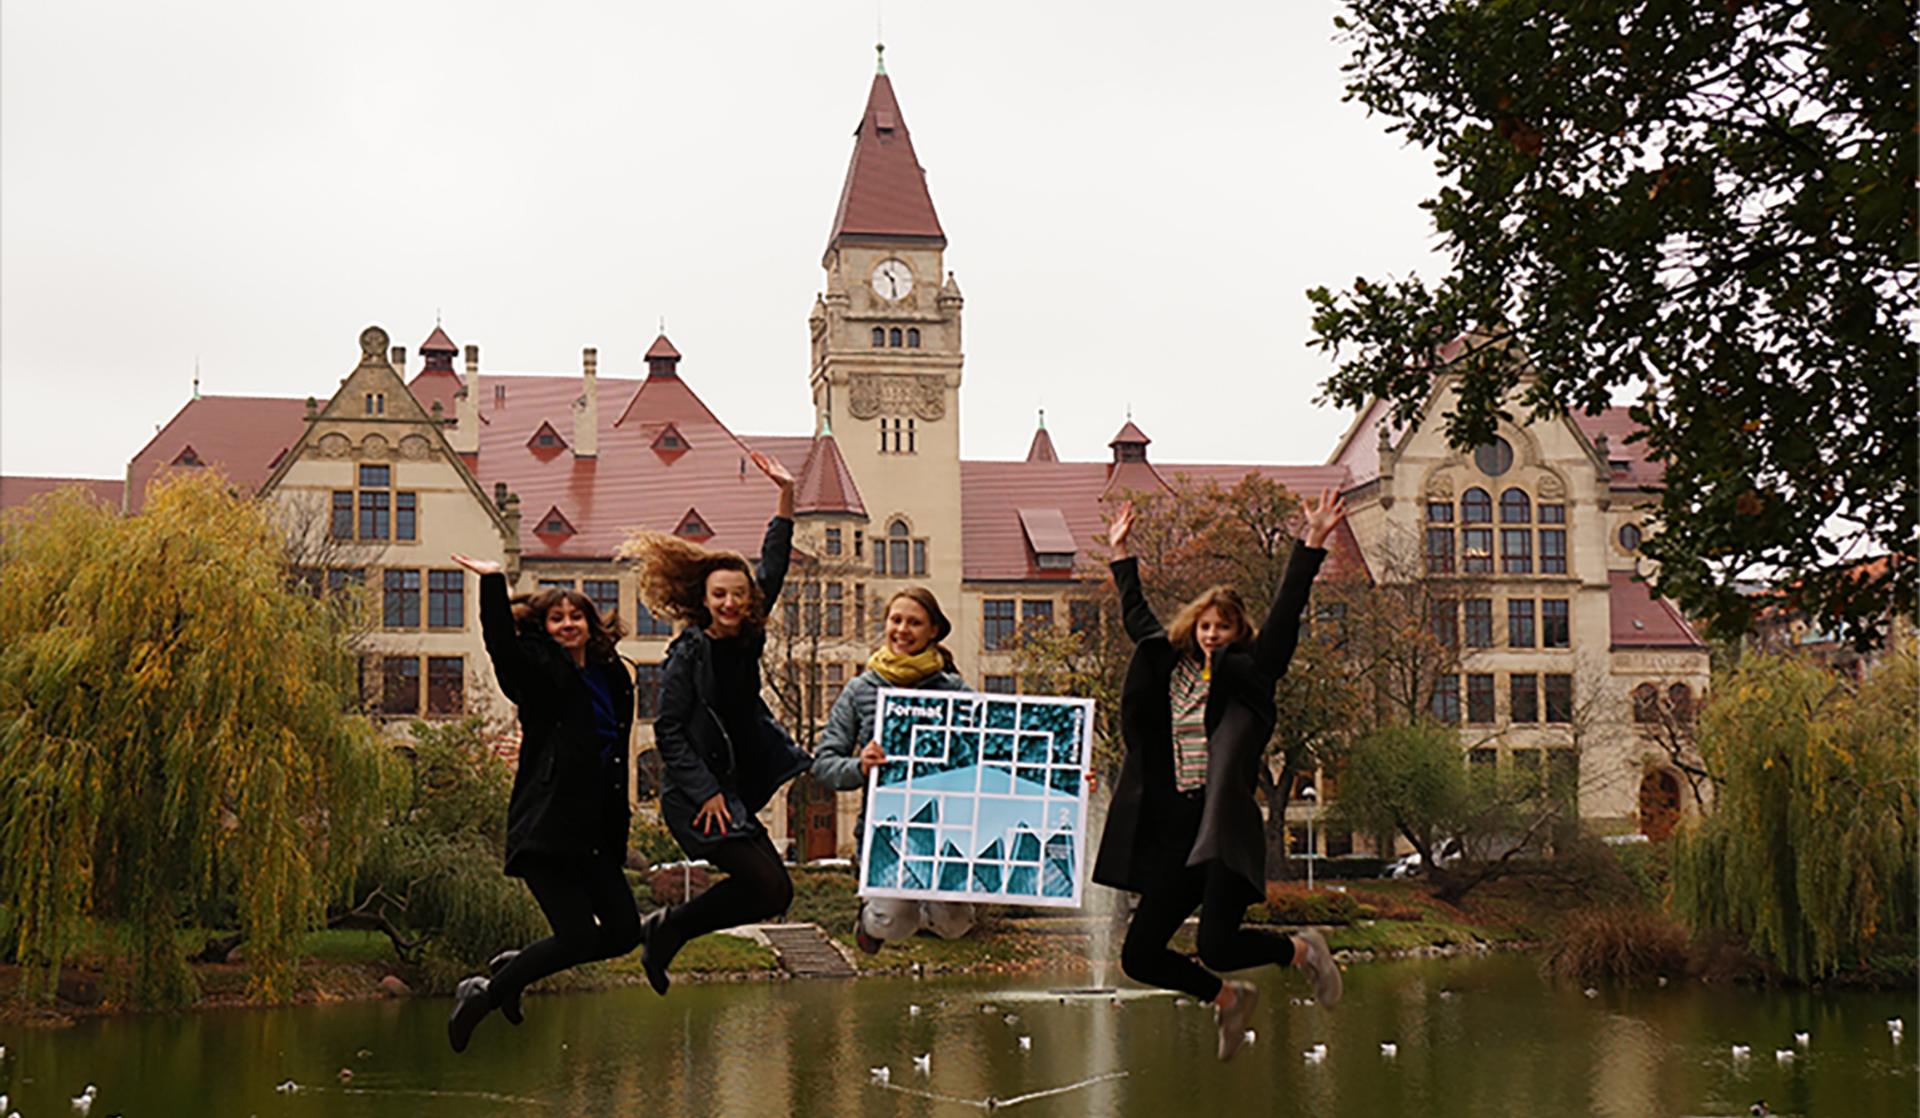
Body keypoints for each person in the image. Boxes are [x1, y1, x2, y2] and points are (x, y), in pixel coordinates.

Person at [1093, 489, 1349, 1062]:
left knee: (1217, 945)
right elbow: (1137, 615)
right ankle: (1228, 999)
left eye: (1223, 627)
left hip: (1222, 829)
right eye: (1205, 625)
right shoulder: (1170, 665)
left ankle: (1302, 951)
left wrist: (1311, 543)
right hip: (1173, 834)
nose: (1211, 634)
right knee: (1138, 957)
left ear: (1237, 633)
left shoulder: (1249, 678)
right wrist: (1120, 552)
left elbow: (1285, 617)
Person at [625, 450, 812, 994]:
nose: (730, 603)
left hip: (730, 793)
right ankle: (667, 930)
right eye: (720, 595)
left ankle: (668, 929)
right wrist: (705, 791)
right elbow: (668, 731)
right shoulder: (688, 654)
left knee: (777, 893)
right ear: (704, 601)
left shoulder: (749, 633)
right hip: (695, 799)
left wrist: (786, 494)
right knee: (767, 885)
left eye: (738, 594)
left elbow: (773, 564)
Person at [443, 554, 640, 1054]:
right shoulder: (538, 671)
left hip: (597, 829)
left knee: (624, 933)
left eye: (576, 616)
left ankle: (514, 970)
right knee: (575, 938)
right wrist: (493, 582)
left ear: (590, 623)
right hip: (550, 826)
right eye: (557, 618)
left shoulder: (611, 674)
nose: (568, 624)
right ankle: (484, 996)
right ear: (544, 626)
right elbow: (501, 647)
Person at [813, 587, 975, 953]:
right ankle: (874, 916)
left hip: (946, 830)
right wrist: (860, 766)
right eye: (895, 620)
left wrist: (1068, 779)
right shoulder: (860, 690)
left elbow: (1001, 750)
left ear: (933, 631)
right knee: (893, 921)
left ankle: (924, 906)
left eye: (914, 622)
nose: (902, 630)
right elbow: (824, 763)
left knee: (955, 924)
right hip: (886, 833)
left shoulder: (956, 691)